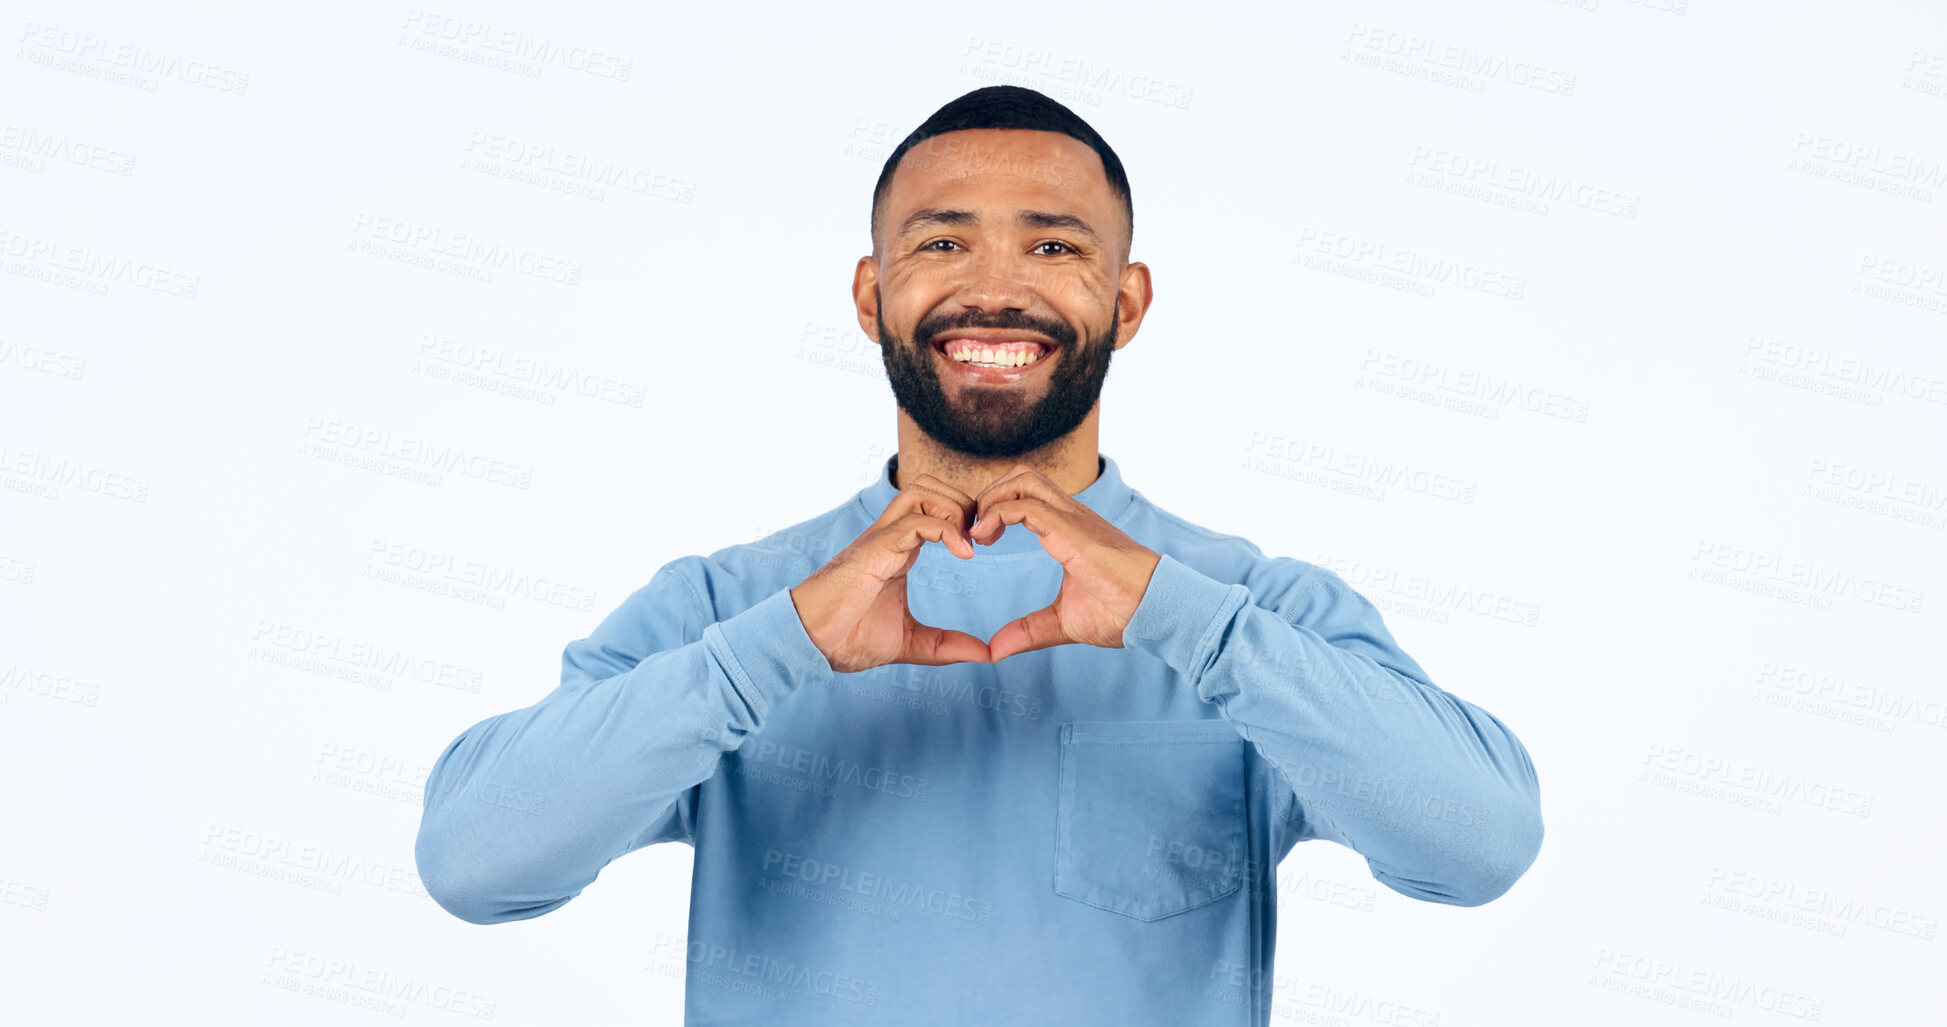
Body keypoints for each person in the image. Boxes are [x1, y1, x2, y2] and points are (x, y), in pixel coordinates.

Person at [414, 84, 1544, 1025]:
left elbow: (1481, 844)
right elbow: (475, 863)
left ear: (1127, 299)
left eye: (1054, 244)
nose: (995, 286)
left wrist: (1184, 622)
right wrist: (778, 650)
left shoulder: (1251, 610)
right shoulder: (732, 607)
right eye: (942, 240)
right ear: (872, 295)